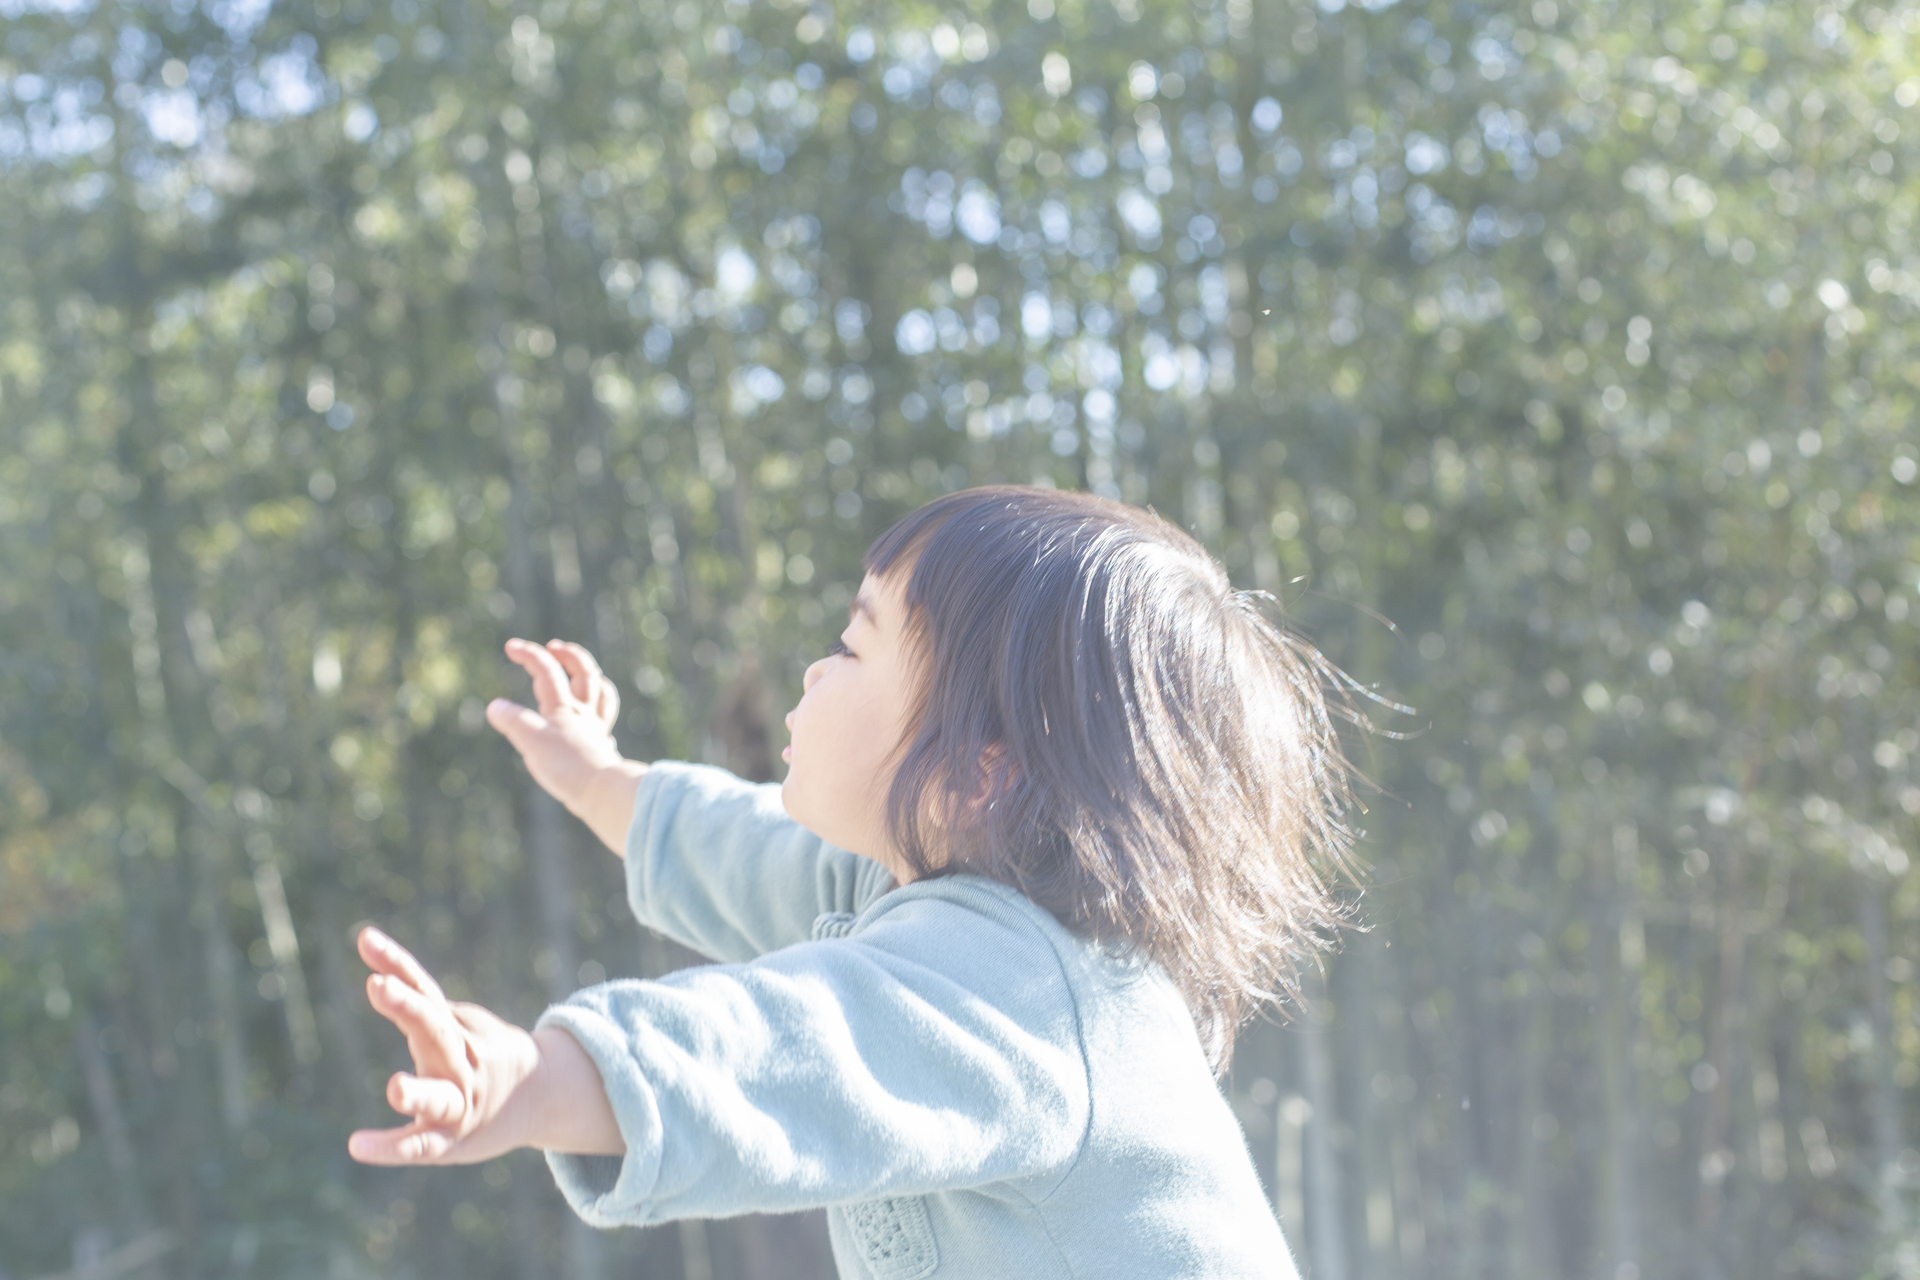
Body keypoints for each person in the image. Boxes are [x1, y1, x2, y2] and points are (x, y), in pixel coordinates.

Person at [348, 485, 1359, 1279]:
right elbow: (735, 846)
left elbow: (772, 1045)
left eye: (852, 644)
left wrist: (530, 1080)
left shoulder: (1014, 988)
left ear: (979, 765)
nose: (812, 672)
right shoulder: (899, 881)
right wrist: (597, 776)